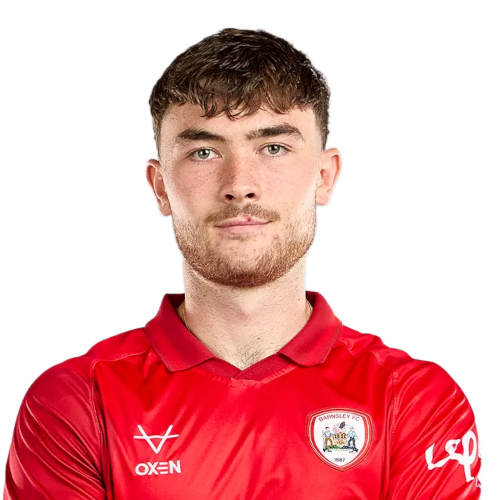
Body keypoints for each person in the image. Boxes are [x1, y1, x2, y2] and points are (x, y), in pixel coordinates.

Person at [2, 26, 482, 499]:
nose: (240, 184)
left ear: (325, 176)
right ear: (160, 187)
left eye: (273, 147)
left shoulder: (414, 398)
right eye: (204, 152)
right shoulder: (75, 400)